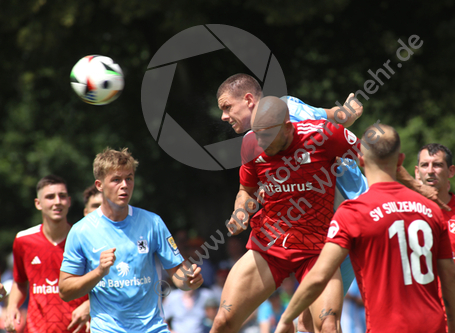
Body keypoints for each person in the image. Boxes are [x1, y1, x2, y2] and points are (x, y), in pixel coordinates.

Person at [217, 73, 366, 333]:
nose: (223, 116)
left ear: (249, 100)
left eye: (227, 107)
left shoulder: (300, 122)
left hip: (338, 230)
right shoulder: (256, 137)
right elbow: (247, 189)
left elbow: (329, 126)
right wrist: (241, 209)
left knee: (317, 324)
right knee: (297, 323)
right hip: (278, 241)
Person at [275, 124, 455, 333]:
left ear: (360, 160)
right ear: (400, 161)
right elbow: (449, 279)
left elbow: (319, 276)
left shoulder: (353, 212)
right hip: (433, 326)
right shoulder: (431, 210)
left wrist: (287, 319)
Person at [59, 147, 204, 333]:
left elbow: (177, 274)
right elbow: (65, 291)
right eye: (116, 180)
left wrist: (189, 281)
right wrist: (99, 272)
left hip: (152, 328)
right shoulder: (81, 231)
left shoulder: (153, 222)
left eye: (129, 178)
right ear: (99, 185)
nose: (125, 185)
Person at [5, 175, 90, 333]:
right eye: (50, 197)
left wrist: (89, 306)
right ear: (38, 203)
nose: (57, 201)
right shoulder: (23, 240)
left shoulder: (84, 239)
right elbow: (20, 281)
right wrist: (11, 307)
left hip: (79, 329)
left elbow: (103, 281)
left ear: (69, 201)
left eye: (62, 196)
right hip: (36, 329)